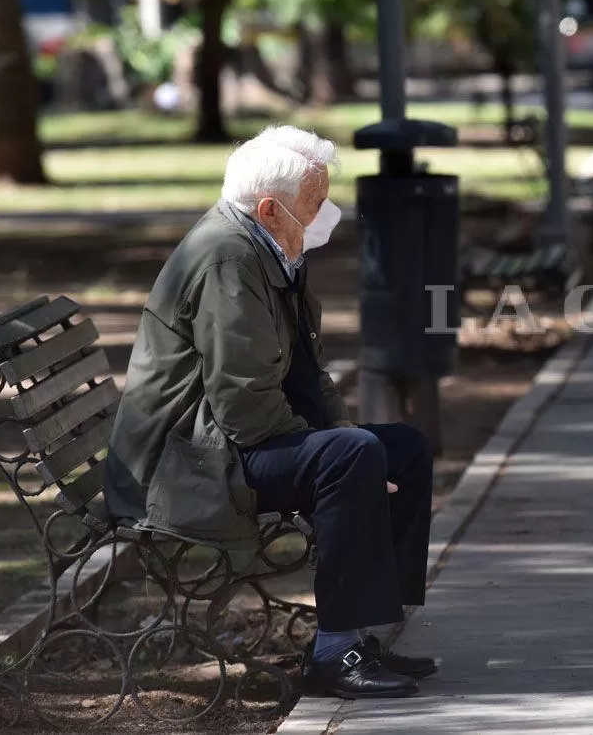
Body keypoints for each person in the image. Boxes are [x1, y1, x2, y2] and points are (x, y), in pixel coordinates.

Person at [107, 126, 438, 700]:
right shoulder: (228, 260)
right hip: (182, 467)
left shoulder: (267, 248)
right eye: (315, 203)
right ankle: (336, 655)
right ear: (269, 208)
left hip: (218, 443)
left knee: (400, 447)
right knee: (351, 457)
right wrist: (343, 456)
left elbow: (305, 372)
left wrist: (342, 434)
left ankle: (364, 630)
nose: (327, 214)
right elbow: (245, 404)